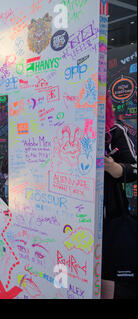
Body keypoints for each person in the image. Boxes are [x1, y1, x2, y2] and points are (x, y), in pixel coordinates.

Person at [101, 92, 137, 299]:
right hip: (65, 216)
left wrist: (118, 169)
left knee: (107, 273)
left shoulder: (116, 130)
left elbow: (134, 167)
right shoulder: (60, 127)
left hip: (109, 221)